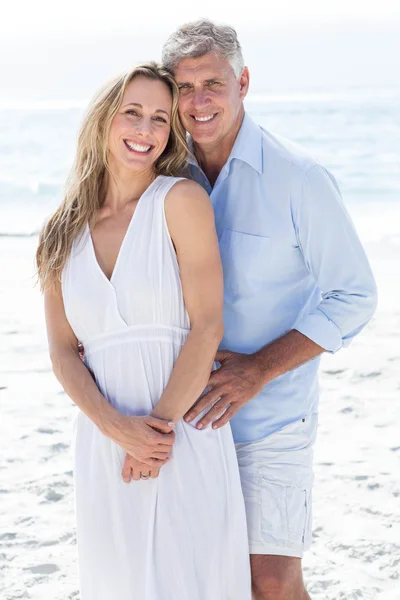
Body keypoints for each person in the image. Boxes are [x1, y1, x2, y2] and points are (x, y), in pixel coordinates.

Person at [161, 20, 378, 600]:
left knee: (272, 584)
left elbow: (355, 295)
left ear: (244, 82)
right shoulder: (159, 176)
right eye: (184, 87)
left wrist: (259, 369)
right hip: (181, 416)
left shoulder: (298, 178)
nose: (199, 102)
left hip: (272, 420)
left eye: (214, 82)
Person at [36, 63, 251, 600]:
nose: (146, 129)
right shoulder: (60, 230)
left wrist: (152, 433)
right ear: (104, 119)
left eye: (160, 117)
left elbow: (207, 326)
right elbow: (63, 353)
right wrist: (117, 429)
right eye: (132, 112)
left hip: (183, 433)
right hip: (104, 441)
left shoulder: (179, 201)